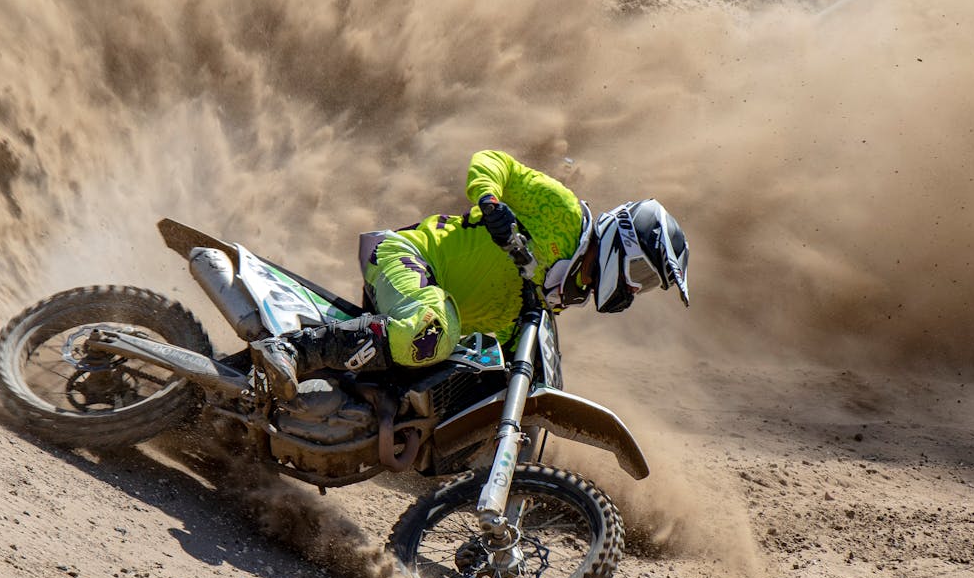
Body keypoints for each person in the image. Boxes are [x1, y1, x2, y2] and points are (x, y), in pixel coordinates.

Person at [251, 149, 690, 399]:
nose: (634, 287)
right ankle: (291, 350)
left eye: (645, 285)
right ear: (622, 240)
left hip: (431, 320)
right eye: (640, 273)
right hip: (409, 257)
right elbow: (495, 161)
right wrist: (490, 201)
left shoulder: (561, 291)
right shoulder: (562, 213)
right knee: (435, 325)